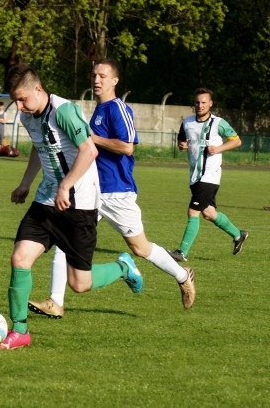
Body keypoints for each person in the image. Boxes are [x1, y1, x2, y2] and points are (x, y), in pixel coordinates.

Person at [28, 59, 196, 320]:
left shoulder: (117, 108)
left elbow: (127, 146)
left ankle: (182, 276)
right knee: (64, 241)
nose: (96, 80)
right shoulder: (95, 110)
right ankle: (55, 302)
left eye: (103, 76)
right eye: (94, 75)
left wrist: (91, 138)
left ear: (115, 81)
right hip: (89, 191)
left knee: (140, 248)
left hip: (116, 191)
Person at [0, 64, 143, 350]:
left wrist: (66, 185)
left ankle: (123, 267)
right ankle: (20, 330)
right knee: (20, 259)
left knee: (80, 284)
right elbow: (40, 149)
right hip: (45, 201)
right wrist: (25, 183)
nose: (19, 105)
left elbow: (90, 149)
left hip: (80, 205)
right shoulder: (28, 116)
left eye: (22, 98)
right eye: (15, 99)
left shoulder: (63, 111)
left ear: (38, 90)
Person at [167, 88, 248, 262]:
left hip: (210, 175)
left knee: (193, 211)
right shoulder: (187, 122)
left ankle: (182, 252)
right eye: (197, 102)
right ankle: (238, 235)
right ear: (194, 103)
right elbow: (181, 140)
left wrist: (218, 148)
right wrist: (182, 146)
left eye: (204, 102)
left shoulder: (219, 123)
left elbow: (237, 141)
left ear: (210, 104)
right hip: (195, 176)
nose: (200, 105)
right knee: (209, 213)